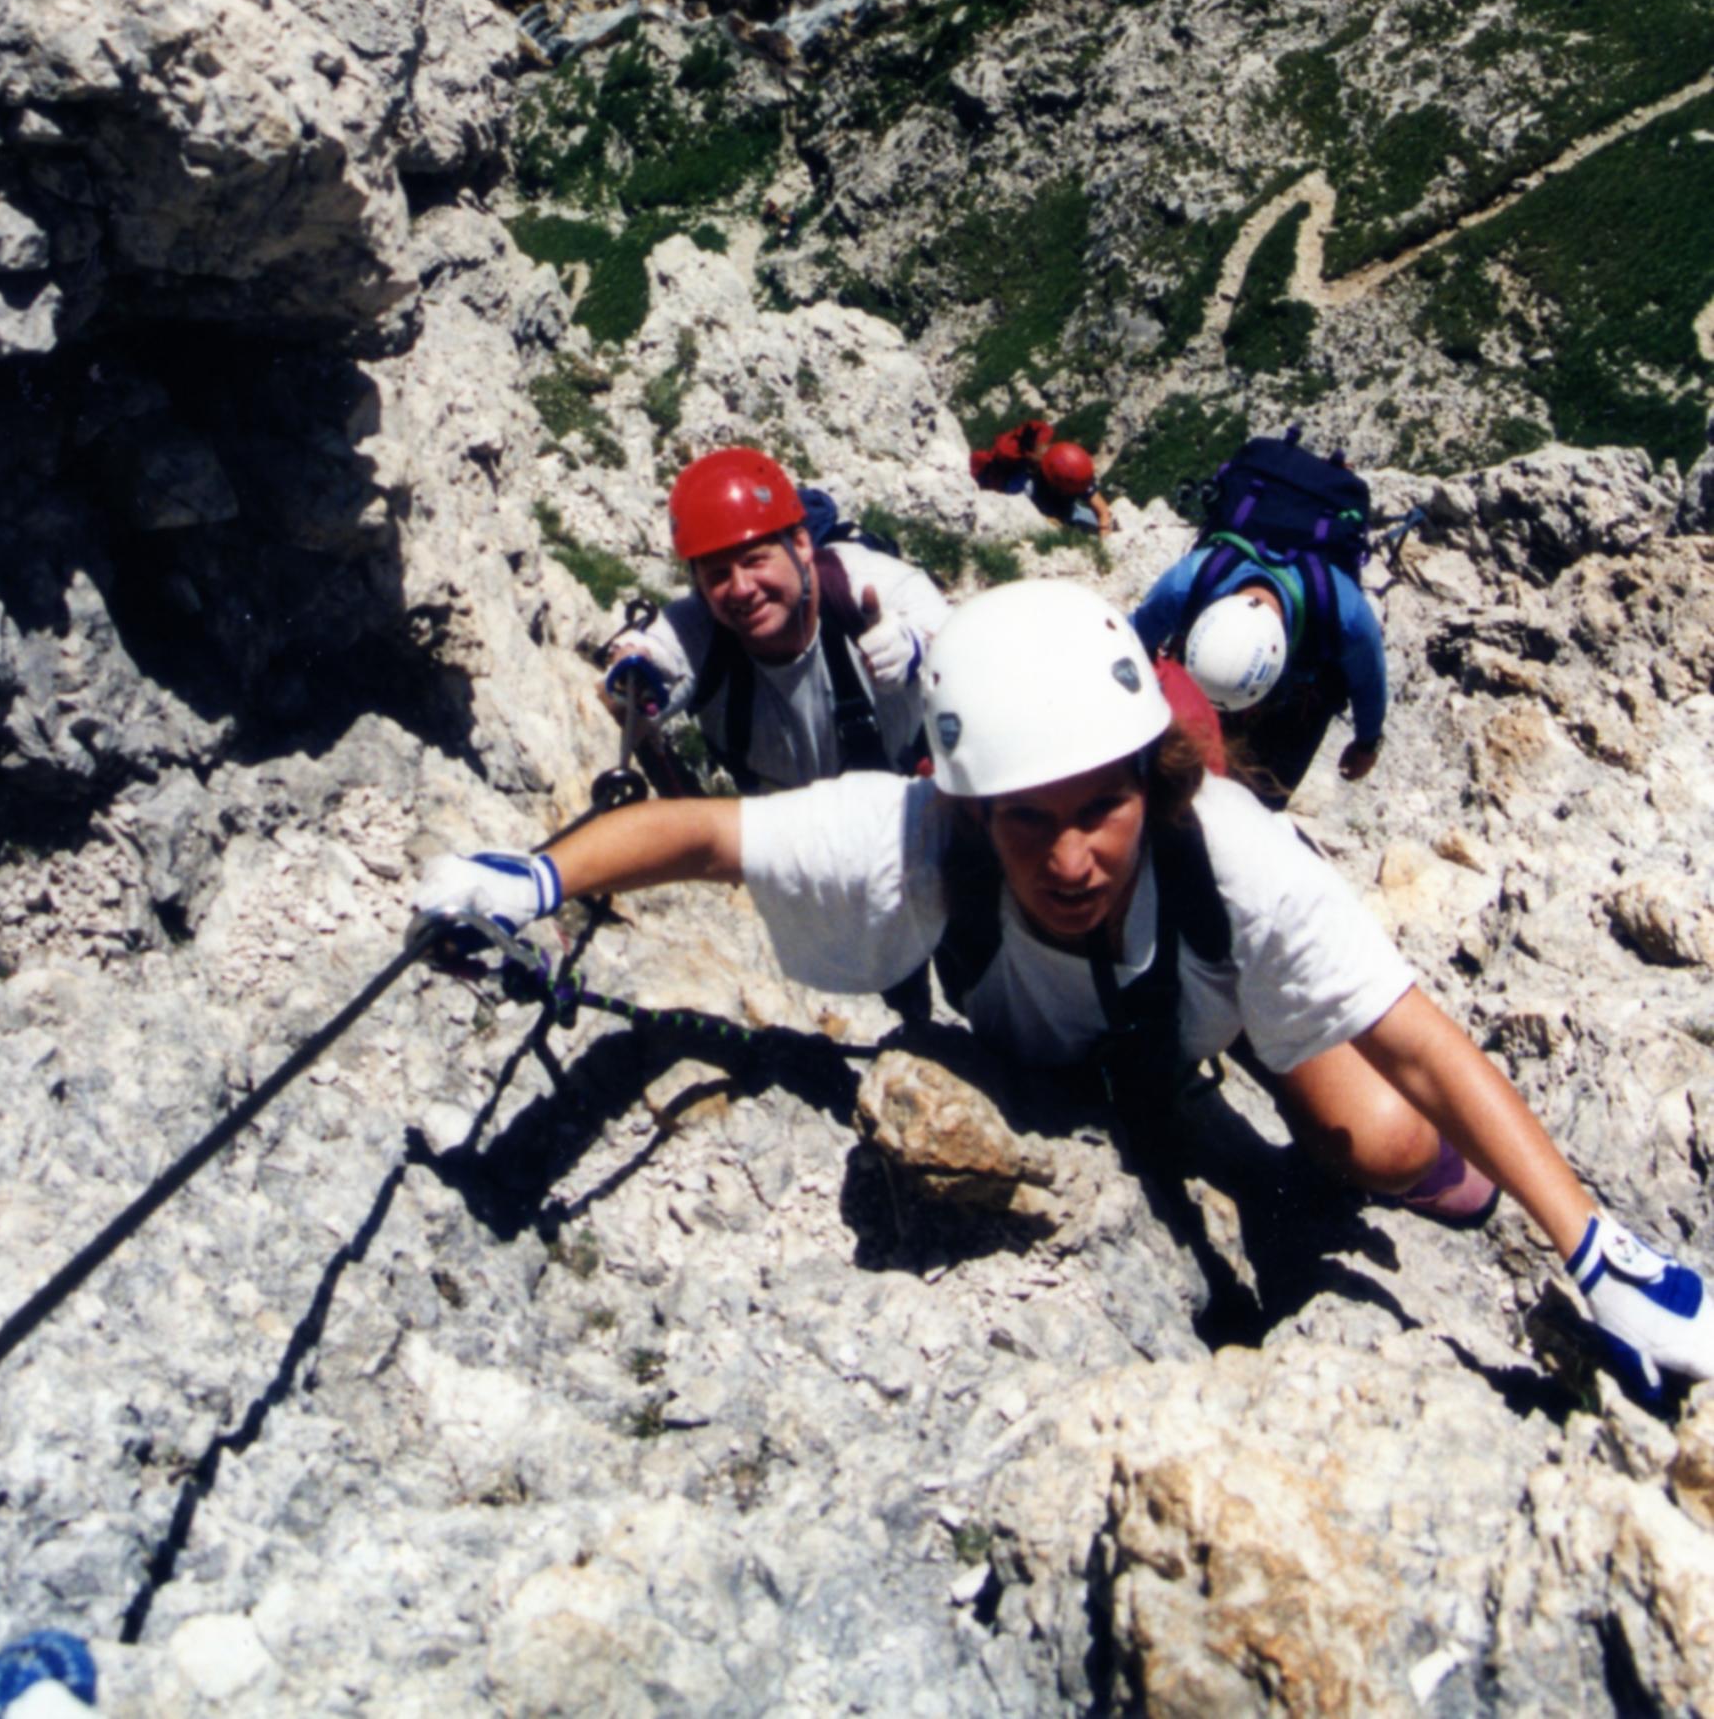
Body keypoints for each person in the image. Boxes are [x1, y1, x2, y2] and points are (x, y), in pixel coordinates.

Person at [413, 579, 1714, 1410]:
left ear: (1153, 776)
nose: (1074, 851)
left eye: (1102, 805)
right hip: (1084, 1057)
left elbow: (1414, 1035)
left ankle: (1455, 1192)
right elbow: (702, 834)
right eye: (1028, 820)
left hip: (1223, 996)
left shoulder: (1234, 851)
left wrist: (1590, 1243)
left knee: (1370, 1135)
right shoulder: (915, 833)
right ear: (969, 803)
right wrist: (535, 876)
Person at [600, 446, 948, 792]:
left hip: (906, 807)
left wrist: (919, 648)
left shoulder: (874, 588)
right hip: (786, 834)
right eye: (718, 575)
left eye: (754, 561)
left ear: (801, 545)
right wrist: (633, 673)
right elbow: (641, 665)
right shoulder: (698, 633)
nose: (741, 589)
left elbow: (965, 644)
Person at [1132, 549, 1387, 807]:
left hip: (1303, 694)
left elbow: (1369, 682)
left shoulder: (1346, 616)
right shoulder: (1185, 584)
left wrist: (1367, 744)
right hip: (1231, 676)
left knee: (1264, 800)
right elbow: (1129, 643)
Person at [970, 422, 1115, 539]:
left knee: (1111, 526)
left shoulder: (1073, 467)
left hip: (1066, 509)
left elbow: (1102, 510)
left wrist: (1105, 530)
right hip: (1038, 508)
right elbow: (1019, 513)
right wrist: (1046, 521)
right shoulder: (1022, 485)